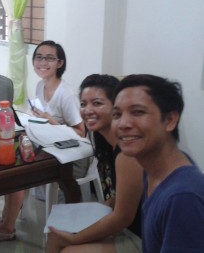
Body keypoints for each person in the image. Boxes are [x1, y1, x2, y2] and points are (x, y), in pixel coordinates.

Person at [0, 40, 86, 243]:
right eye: (38, 57)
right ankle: (8, 214)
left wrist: (51, 121)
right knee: (7, 157)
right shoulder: (40, 86)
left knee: (18, 172)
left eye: (49, 58)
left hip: (68, 156)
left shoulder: (67, 94)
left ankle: (7, 227)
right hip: (47, 145)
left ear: (60, 63)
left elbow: (81, 133)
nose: (42, 62)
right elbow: (43, 120)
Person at [46, 74, 143, 253]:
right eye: (83, 104)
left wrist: (76, 238)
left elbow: (123, 218)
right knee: (55, 236)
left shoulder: (127, 154)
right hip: (125, 224)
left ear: (117, 107)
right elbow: (125, 194)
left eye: (97, 103)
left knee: (68, 249)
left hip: (141, 235)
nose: (87, 110)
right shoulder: (103, 142)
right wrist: (99, 209)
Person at [111, 74, 204, 252]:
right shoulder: (154, 170)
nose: (123, 123)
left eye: (138, 112)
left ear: (170, 120)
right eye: (117, 114)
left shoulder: (183, 197)